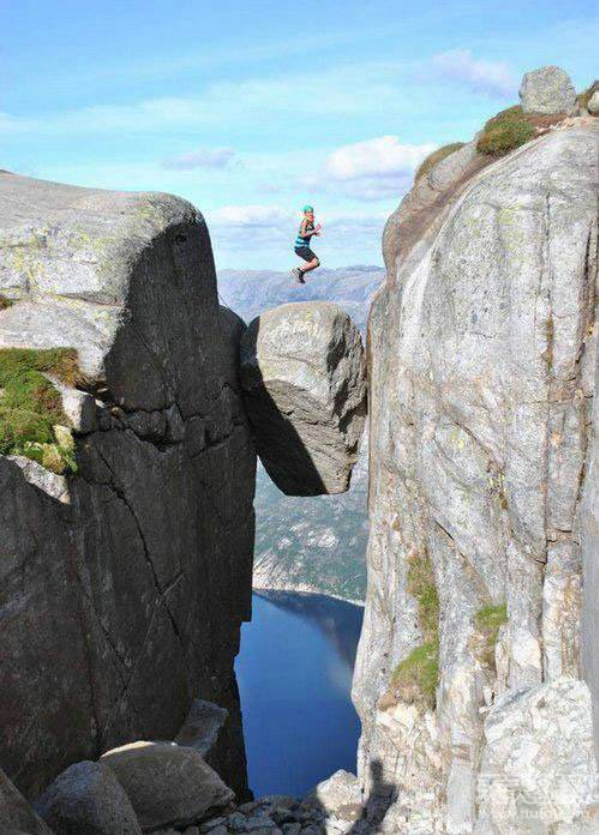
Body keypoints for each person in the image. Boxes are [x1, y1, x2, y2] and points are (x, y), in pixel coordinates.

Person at [291, 205, 321, 284]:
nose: (310, 213)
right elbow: (302, 235)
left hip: (305, 247)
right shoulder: (305, 221)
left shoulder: (311, 221)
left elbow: (310, 232)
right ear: (305, 213)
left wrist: (315, 233)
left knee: (316, 263)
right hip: (300, 247)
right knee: (315, 262)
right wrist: (314, 230)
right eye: (308, 212)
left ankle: (300, 272)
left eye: (311, 212)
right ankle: (298, 271)